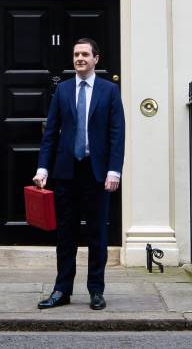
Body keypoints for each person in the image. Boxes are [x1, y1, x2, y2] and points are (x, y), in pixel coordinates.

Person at [34, 38, 125, 310]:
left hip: (97, 174)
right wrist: (43, 167)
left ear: (96, 58)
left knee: (97, 236)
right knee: (66, 236)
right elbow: (51, 133)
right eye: (76, 54)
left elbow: (116, 134)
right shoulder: (62, 90)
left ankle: (96, 290)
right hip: (66, 172)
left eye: (85, 54)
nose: (80, 58)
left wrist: (114, 170)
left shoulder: (109, 91)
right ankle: (62, 290)